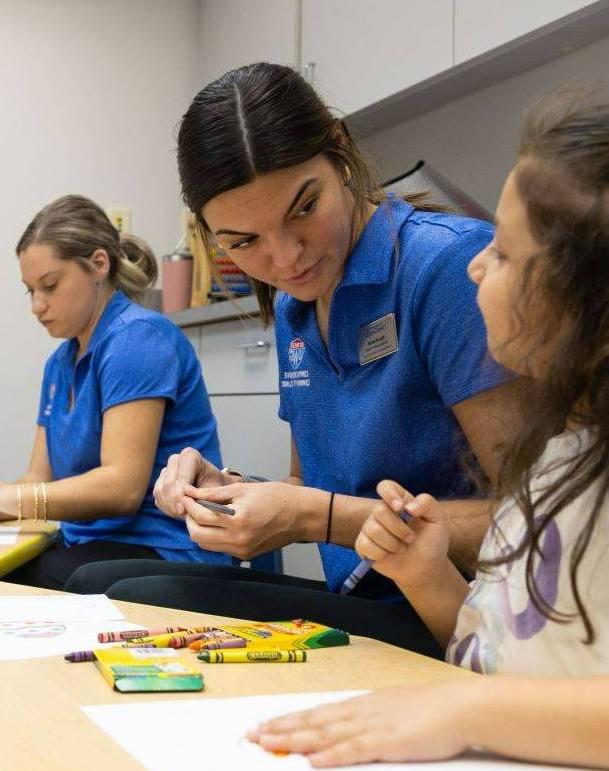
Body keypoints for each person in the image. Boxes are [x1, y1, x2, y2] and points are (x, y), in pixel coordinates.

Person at [247, 91, 609, 771]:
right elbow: (489, 646)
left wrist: (465, 708)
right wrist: (426, 575)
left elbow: (499, 689)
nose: (478, 262)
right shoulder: (556, 460)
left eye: (508, 255)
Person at [66, 63, 524, 655]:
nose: (286, 259)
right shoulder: (295, 308)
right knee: (98, 585)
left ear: (340, 150)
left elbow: (538, 525)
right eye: (244, 242)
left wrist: (316, 518)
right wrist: (230, 494)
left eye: (304, 209)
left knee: (119, 591)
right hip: (368, 599)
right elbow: (309, 487)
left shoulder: (446, 271)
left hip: (464, 614)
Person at [1, 194, 230, 589]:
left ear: (99, 265)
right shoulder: (59, 364)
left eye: (50, 286)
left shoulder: (138, 340)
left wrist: (10, 500)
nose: (37, 306)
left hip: (167, 549)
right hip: (96, 547)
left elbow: (122, 487)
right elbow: (37, 476)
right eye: (30, 291)